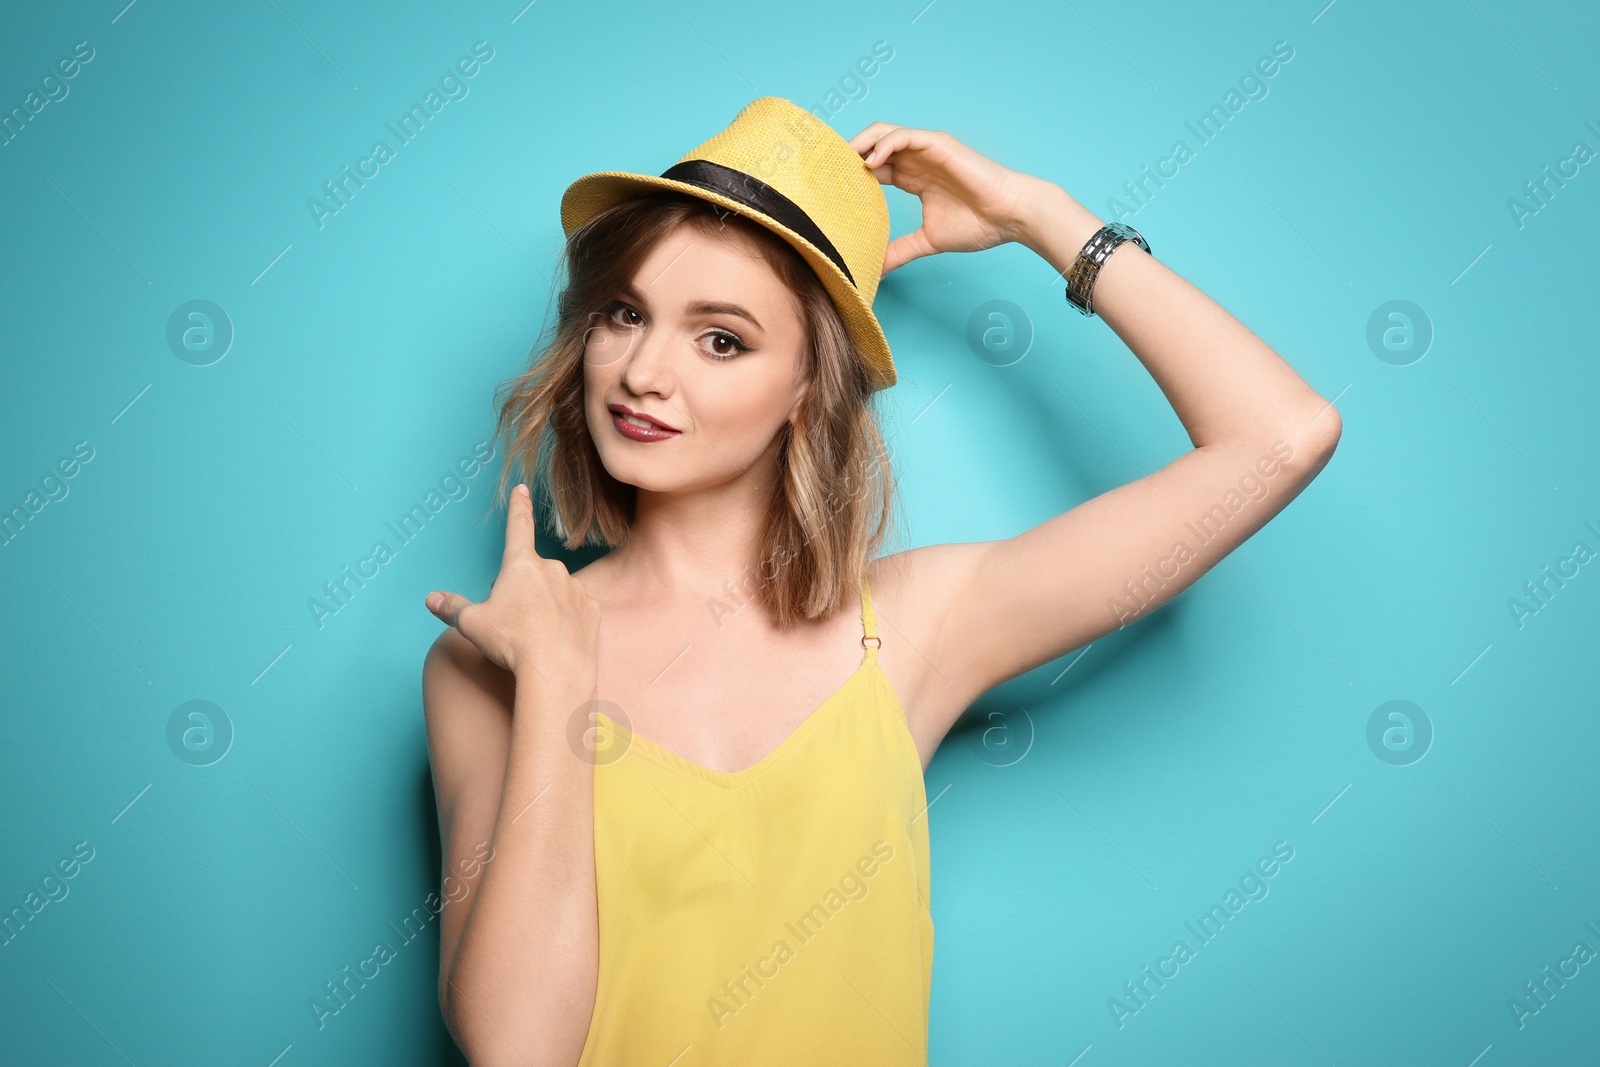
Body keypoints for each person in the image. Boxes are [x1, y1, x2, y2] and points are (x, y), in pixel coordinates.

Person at [419, 96, 1341, 1066]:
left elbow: (1281, 435)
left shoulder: (910, 625)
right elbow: (516, 1047)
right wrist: (559, 682)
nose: (643, 371)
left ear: (808, 385)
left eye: (720, 337)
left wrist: (1040, 215)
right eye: (624, 314)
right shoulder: (494, 655)